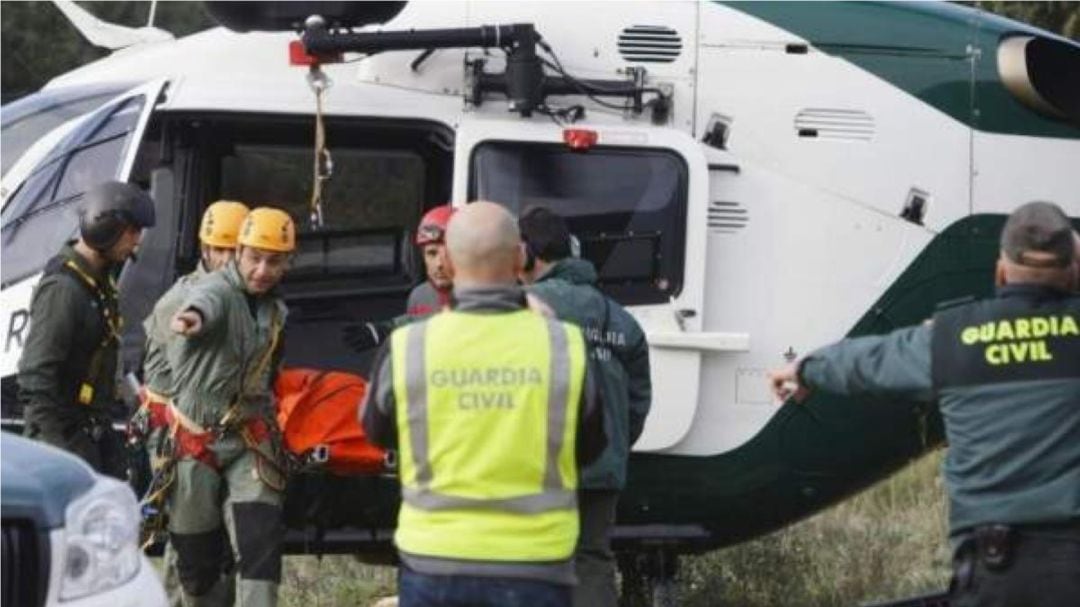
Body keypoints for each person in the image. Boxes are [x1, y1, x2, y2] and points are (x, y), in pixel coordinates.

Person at [768, 201, 1080, 607]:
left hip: (996, 568)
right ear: (1074, 270)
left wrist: (805, 369)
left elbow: (869, 361)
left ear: (1000, 271)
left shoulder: (951, 338)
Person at [362, 201, 607, 607]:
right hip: (536, 562)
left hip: (434, 561)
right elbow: (592, 445)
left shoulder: (410, 346)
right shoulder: (563, 346)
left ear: (451, 262)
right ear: (520, 256)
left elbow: (377, 431)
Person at [517, 206, 652, 607]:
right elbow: (637, 404)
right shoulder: (622, 321)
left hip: (535, 469)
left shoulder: (518, 307)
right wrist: (612, 449)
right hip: (601, 470)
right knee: (592, 561)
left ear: (525, 253)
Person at [166, 207, 294, 607]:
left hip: (249, 437)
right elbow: (205, 304)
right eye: (254, 257)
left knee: (260, 549)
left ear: (287, 263)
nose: (262, 270)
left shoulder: (275, 312)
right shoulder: (216, 289)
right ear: (238, 251)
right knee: (196, 564)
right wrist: (191, 319)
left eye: (274, 261)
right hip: (195, 437)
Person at [138, 200, 249, 607]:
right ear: (205, 248)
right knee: (189, 549)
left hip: (228, 436)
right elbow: (162, 385)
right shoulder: (181, 301)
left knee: (223, 547)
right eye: (220, 249)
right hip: (181, 435)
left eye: (235, 250)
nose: (227, 259)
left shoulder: (248, 300)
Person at [18, 180, 156, 477]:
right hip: (64, 442)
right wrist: (55, 457)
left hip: (93, 435)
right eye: (133, 230)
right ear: (106, 226)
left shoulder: (100, 283)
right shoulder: (65, 290)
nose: (138, 240)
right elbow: (36, 378)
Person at [343, 205, 455, 354]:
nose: (439, 264)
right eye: (431, 253)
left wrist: (389, 328)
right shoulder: (420, 296)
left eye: (448, 254)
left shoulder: (485, 294)